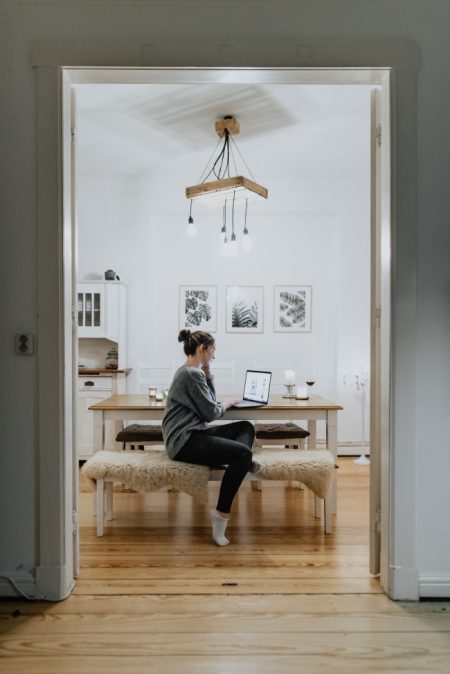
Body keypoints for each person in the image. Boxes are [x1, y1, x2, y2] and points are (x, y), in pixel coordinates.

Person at [162, 329, 260, 546]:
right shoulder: (190, 374)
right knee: (243, 452)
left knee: (245, 426)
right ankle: (221, 514)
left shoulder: (191, 372)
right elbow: (211, 412)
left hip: (193, 434)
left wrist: (208, 374)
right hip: (183, 441)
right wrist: (229, 402)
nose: (214, 355)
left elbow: (209, 402)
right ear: (202, 349)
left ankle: (241, 461)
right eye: (213, 350)